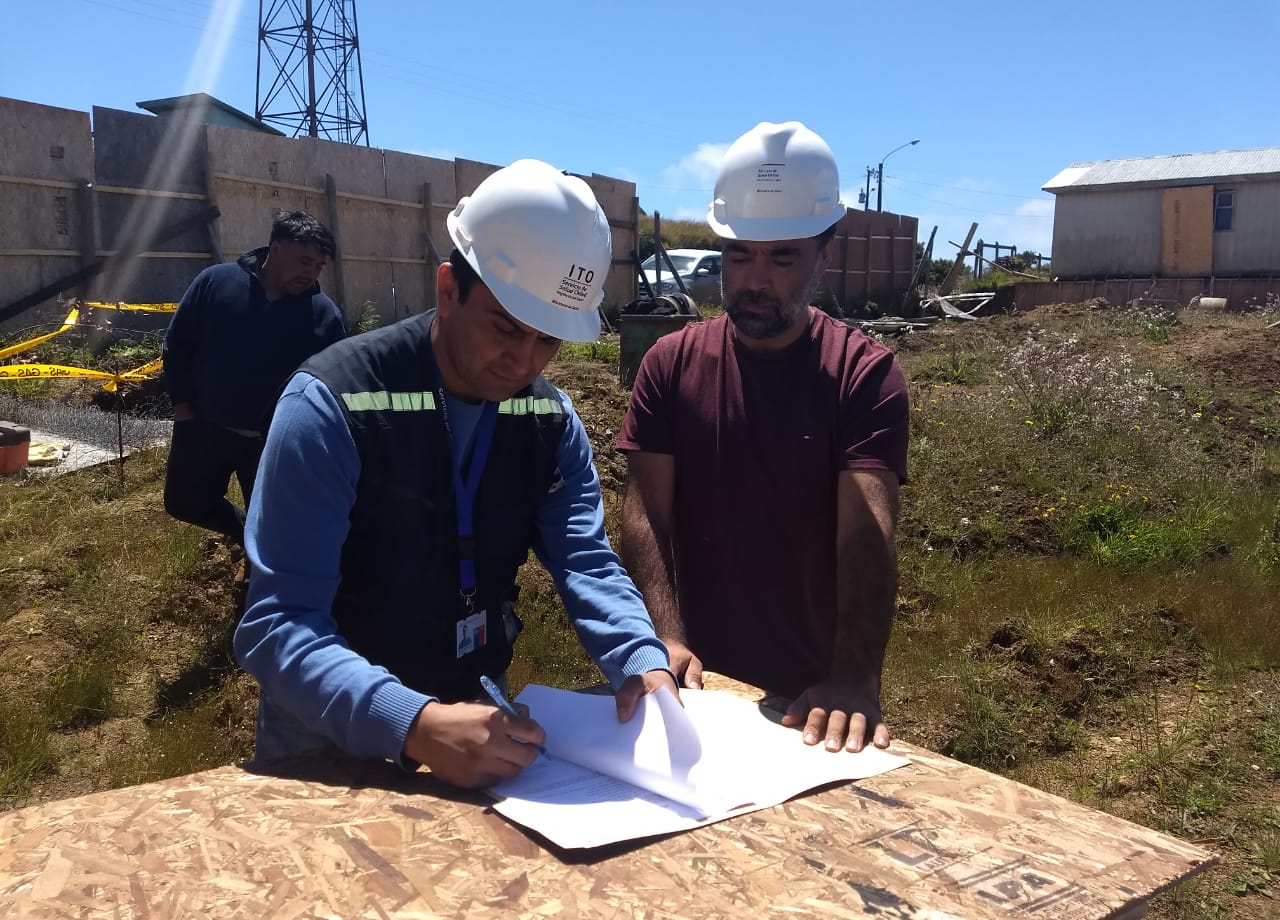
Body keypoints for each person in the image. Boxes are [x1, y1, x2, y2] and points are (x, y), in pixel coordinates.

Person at [234, 159, 677, 789]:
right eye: (506, 328)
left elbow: (584, 558)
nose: (523, 362)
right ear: (449, 289)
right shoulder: (333, 404)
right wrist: (413, 723)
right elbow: (278, 625)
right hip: (327, 741)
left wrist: (638, 657)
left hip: (477, 722)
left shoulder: (547, 419)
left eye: (548, 340)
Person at [616, 121, 910, 754]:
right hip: (692, 684)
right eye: (740, 254)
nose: (755, 279)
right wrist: (662, 636)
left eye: (782, 258)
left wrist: (854, 677)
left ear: (822, 256)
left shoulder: (862, 374)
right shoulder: (669, 364)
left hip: (812, 702)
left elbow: (866, 532)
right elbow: (645, 515)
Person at [162, 210, 346, 545]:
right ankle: (245, 531)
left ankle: (259, 554)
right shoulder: (216, 283)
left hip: (273, 442)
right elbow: (178, 345)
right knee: (184, 502)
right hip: (205, 427)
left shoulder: (323, 316)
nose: (311, 273)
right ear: (275, 249)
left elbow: (333, 385)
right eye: (304, 261)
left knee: (277, 524)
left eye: (319, 266)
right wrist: (184, 411)